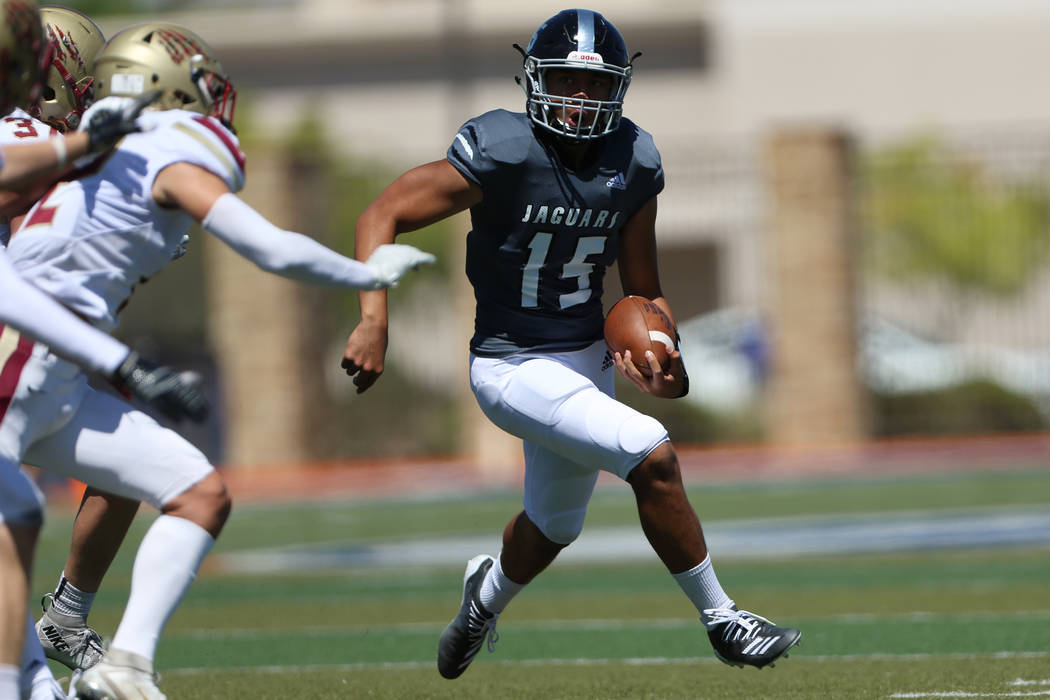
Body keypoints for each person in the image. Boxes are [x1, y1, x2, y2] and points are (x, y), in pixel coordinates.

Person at [341, 8, 801, 680]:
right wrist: (373, 318)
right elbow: (381, 212)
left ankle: (482, 602)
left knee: (554, 526)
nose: (579, 98)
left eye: (594, 85)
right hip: (510, 365)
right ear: (535, 78)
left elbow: (644, 289)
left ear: (618, 88)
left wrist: (665, 356)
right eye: (564, 80)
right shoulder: (502, 148)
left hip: (584, 361)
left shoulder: (634, 160)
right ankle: (723, 619)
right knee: (654, 457)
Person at [5, 21, 434, 700]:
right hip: (17, 359)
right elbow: (271, 248)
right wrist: (365, 275)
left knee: (197, 491)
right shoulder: (162, 149)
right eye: (200, 83)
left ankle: (125, 664)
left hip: (54, 370)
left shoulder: (91, 146)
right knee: (13, 549)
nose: (214, 97)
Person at [0, 5, 206, 699]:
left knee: (130, 458)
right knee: (14, 518)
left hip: (34, 356)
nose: (92, 96)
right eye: (83, 82)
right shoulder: (26, 133)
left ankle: (62, 622)